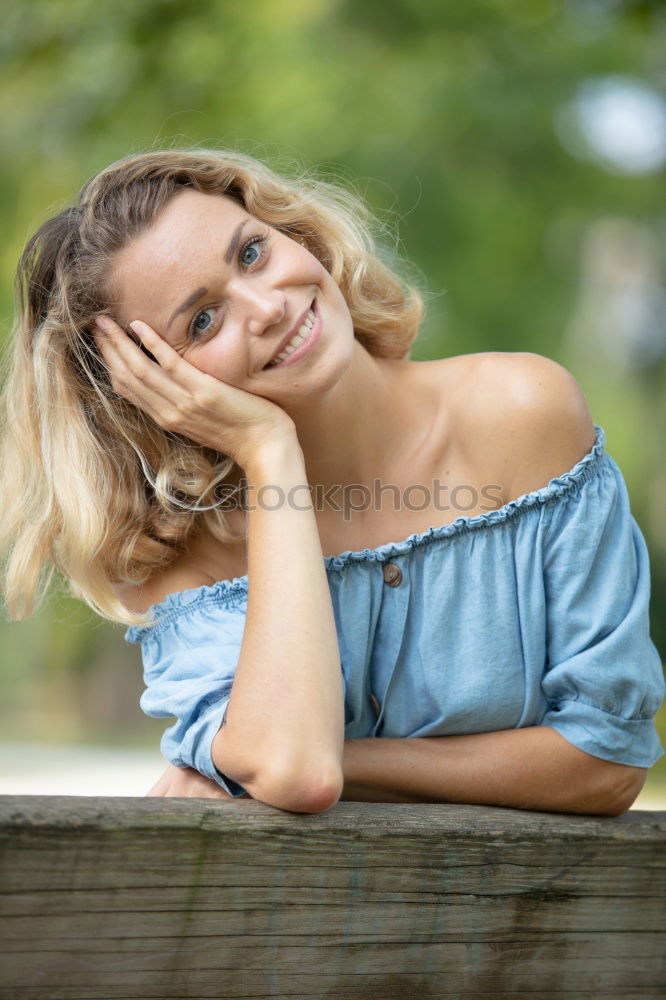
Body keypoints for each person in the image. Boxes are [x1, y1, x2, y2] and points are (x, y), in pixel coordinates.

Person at [1, 149, 663, 814]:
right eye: (202, 320)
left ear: (295, 233)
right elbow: (298, 772)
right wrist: (269, 453)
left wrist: (278, 759)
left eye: (253, 253)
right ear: (149, 391)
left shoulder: (521, 412)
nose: (266, 307)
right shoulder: (178, 552)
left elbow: (605, 762)